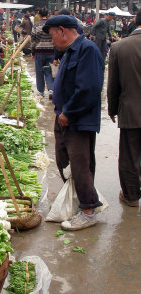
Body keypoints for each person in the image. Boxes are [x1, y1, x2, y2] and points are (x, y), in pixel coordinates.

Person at [43, 15, 104, 231]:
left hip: (77, 120)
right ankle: (78, 200)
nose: (52, 42)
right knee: (64, 162)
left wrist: (69, 112)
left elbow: (89, 88)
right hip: (64, 118)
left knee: (80, 165)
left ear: (62, 31)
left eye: (52, 36)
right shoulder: (70, 52)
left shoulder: (87, 50)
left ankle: (88, 211)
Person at [107, 8, 141, 207]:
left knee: (129, 156)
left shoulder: (120, 47)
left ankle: (131, 196)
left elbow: (113, 84)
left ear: (135, 21)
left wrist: (112, 109)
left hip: (130, 111)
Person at [31, 7, 54, 99]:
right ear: (48, 14)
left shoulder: (36, 26)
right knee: (49, 71)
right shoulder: (52, 25)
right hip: (51, 52)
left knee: (39, 71)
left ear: (39, 15)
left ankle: (41, 91)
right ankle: (51, 89)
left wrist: (33, 52)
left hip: (39, 52)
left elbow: (33, 40)